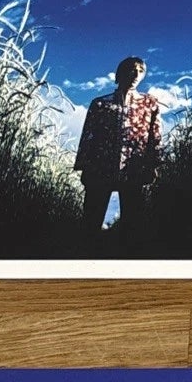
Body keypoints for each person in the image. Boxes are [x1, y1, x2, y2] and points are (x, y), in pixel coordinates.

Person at [73, 56, 163, 243]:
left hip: (134, 168)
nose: (136, 75)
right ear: (120, 73)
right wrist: (84, 166)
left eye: (141, 71)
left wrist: (153, 164)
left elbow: (155, 136)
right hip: (100, 167)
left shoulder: (149, 104)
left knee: (133, 223)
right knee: (91, 220)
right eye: (132, 70)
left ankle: (128, 258)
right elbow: (88, 135)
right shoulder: (100, 104)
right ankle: (87, 256)